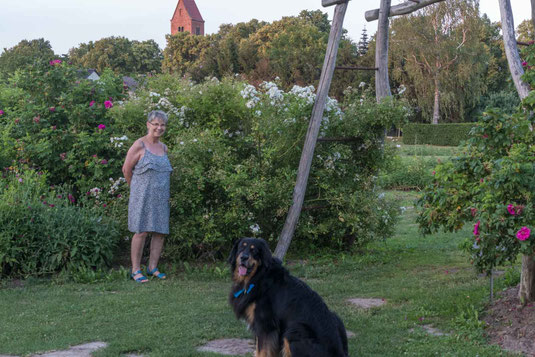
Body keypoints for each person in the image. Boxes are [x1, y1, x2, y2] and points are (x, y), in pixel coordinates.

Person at [122, 110, 173, 283]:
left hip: (161, 197)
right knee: (141, 231)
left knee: (159, 232)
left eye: (162, 125)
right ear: (148, 125)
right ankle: (135, 270)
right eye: (156, 124)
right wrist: (135, 189)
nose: (159, 128)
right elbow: (126, 170)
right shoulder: (139, 145)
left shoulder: (164, 147)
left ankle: (153, 267)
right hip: (142, 196)